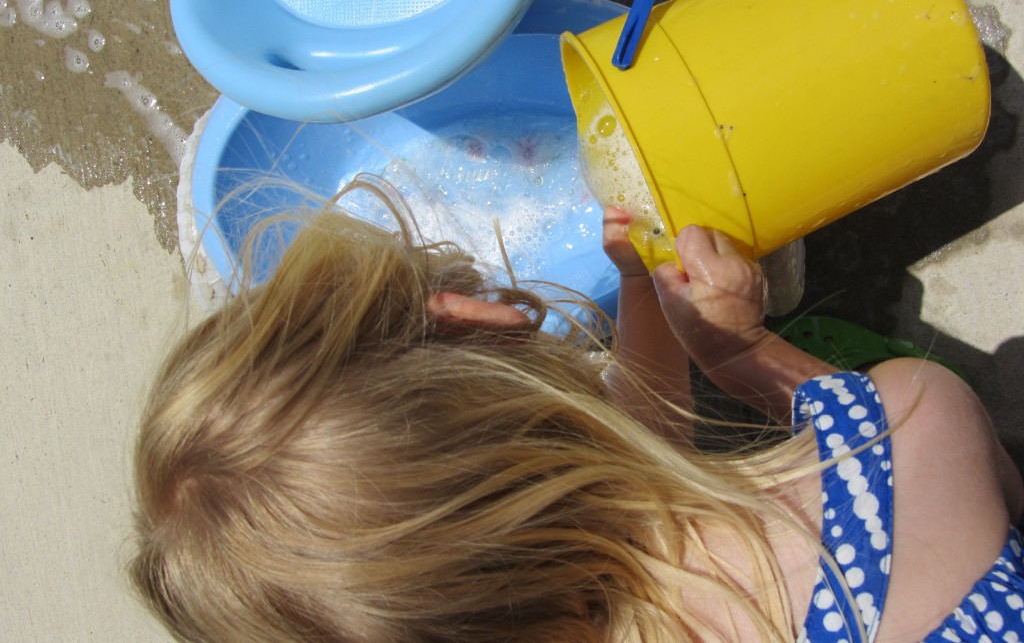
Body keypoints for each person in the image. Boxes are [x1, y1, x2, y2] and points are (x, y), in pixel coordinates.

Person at [131, 179, 1023, 642]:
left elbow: (616, 493)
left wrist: (644, 286)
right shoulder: (907, 434)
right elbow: (633, 479)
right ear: (483, 322)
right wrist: (738, 348)